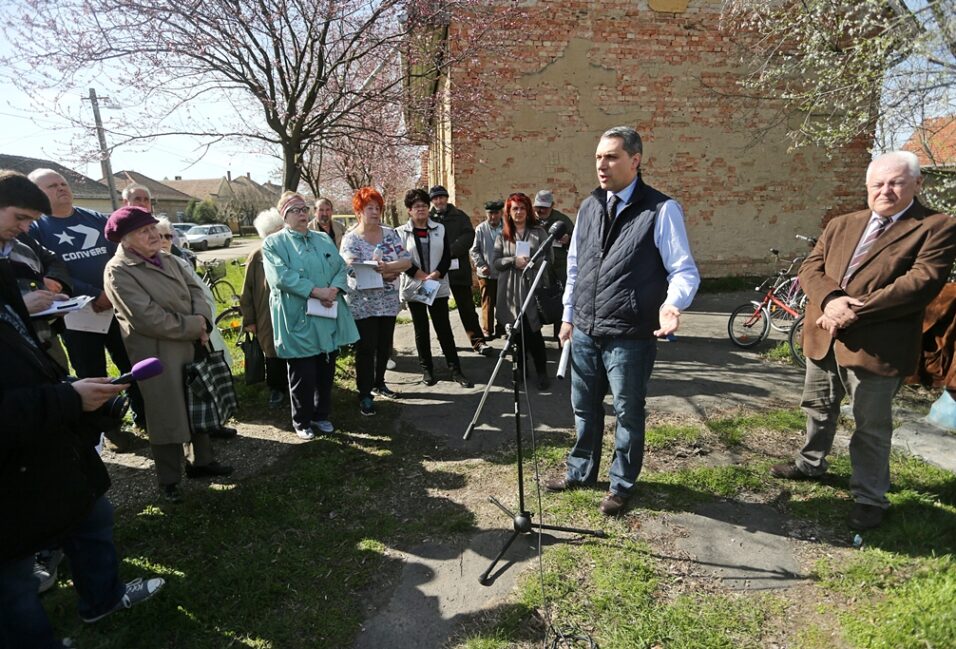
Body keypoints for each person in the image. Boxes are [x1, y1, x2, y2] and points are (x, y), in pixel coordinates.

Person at [0, 170, 164, 648]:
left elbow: (26, 353)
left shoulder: (7, 267)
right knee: (11, 582)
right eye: (20, 218)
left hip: (51, 437)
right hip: (14, 457)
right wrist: (65, 398)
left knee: (91, 516)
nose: (26, 229)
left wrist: (68, 388)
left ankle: (103, 598)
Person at [770, 151, 956, 530]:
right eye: (877, 183)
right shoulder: (843, 223)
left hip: (877, 345)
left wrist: (854, 310)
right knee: (818, 407)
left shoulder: (936, 226)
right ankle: (810, 463)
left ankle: (870, 497)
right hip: (823, 334)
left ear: (917, 184)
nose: (885, 190)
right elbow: (812, 267)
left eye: (895, 183)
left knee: (871, 425)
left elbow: (920, 283)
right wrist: (831, 300)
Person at [547, 126, 700, 516]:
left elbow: (683, 270)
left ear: (635, 161)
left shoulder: (661, 209)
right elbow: (576, 265)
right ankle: (580, 471)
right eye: (598, 156)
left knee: (628, 413)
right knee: (583, 407)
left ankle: (621, 483)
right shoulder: (589, 206)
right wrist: (568, 316)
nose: (602, 164)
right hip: (585, 328)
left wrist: (672, 305)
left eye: (611, 156)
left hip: (629, 334)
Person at [103, 206, 233, 503]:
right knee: (166, 414)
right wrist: (194, 326)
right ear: (124, 240)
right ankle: (170, 479)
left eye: (152, 229)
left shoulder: (169, 259)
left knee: (198, 400)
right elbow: (146, 317)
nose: (152, 235)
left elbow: (197, 291)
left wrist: (203, 320)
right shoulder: (118, 270)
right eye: (143, 231)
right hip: (158, 354)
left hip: (193, 343)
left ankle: (202, 462)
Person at [27, 168, 147, 437]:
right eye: (52, 186)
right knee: (91, 372)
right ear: (36, 193)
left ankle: (144, 418)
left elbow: (119, 256)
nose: (61, 188)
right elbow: (47, 271)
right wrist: (93, 294)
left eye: (63, 183)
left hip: (115, 306)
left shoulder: (93, 218)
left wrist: (109, 292)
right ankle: (109, 431)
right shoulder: (35, 228)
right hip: (77, 317)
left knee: (131, 363)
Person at [262, 192, 359, 440]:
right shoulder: (274, 244)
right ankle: (302, 420)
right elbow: (281, 277)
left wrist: (334, 290)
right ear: (284, 216)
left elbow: (339, 267)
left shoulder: (322, 239)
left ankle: (321, 415)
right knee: (302, 372)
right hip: (298, 317)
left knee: (326, 368)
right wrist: (316, 292)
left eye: (305, 209)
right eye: (296, 210)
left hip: (326, 312)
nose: (303, 214)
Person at [340, 188, 412, 416]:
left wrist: (388, 268)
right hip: (363, 303)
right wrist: (385, 274)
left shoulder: (390, 234)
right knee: (365, 347)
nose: (375, 212)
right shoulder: (351, 238)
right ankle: (364, 393)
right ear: (359, 211)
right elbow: (351, 269)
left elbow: (407, 262)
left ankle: (379, 382)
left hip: (388, 301)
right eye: (369, 208)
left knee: (384, 346)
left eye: (378, 208)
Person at [397, 189, 474, 388]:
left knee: (444, 328)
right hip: (415, 286)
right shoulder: (400, 232)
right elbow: (402, 259)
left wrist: (437, 273)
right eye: (416, 206)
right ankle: (427, 370)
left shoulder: (439, 228)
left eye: (423, 205)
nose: (421, 209)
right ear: (409, 210)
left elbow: (447, 255)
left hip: (436, 284)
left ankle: (456, 370)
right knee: (421, 330)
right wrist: (421, 275)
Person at [493, 192, 553, 390]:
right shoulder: (503, 235)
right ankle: (521, 368)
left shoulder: (539, 232)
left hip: (532, 289)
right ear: (508, 213)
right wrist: (513, 261)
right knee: (515, 334)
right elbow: (496, 263)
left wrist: (531, 263)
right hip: (510, 291)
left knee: (534, 333)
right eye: (514, 209)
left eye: (522, 208)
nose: (519, 212)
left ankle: (542, 371)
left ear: (528, 211)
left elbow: (548, 258)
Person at [428, 185, 492, 356]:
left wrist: (451, 250)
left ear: (447, 198)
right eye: (435, 198)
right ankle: (445, 343)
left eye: (442, 197)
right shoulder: (428, 219)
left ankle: (478, 342)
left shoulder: (459, 216)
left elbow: (469, 236)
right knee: (439, 310)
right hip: (436, 270)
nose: (439, 201)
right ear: (432, 201)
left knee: (467, 308)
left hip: (458, 269)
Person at [240, 208, 289, 408]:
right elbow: (247, 291)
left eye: (281, 230)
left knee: (292, 348)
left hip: (289, 311)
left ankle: (294, 386)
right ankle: (276, 389)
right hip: (265, 314)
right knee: (271, 351)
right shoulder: (257, 256)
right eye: (273, 232)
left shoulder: (290, 251)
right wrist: (249, 320)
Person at [532, 190, 575, 340]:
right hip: (537, 267)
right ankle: (535, 336)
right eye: (538, 207)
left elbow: (576, 241)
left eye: (545, 207)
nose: (541, 210)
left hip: (559, 267)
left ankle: (560, 336)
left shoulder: (561, 220)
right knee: (536, 301)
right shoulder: (530, 220)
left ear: (552, 206)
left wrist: (568, 239)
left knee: (559, 302)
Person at [470, 199, 505, 340]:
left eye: (496, 213)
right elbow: (474, 250)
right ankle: (487, 329)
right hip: (486, 271)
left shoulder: (507, 228)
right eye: (490, 213)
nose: (493, 216)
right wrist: (481, 264)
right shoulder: (480, 229)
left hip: (503, 271)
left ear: (501, 213)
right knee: (487, 301)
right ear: (486, 214)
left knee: (504, 302)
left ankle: (502, 328)